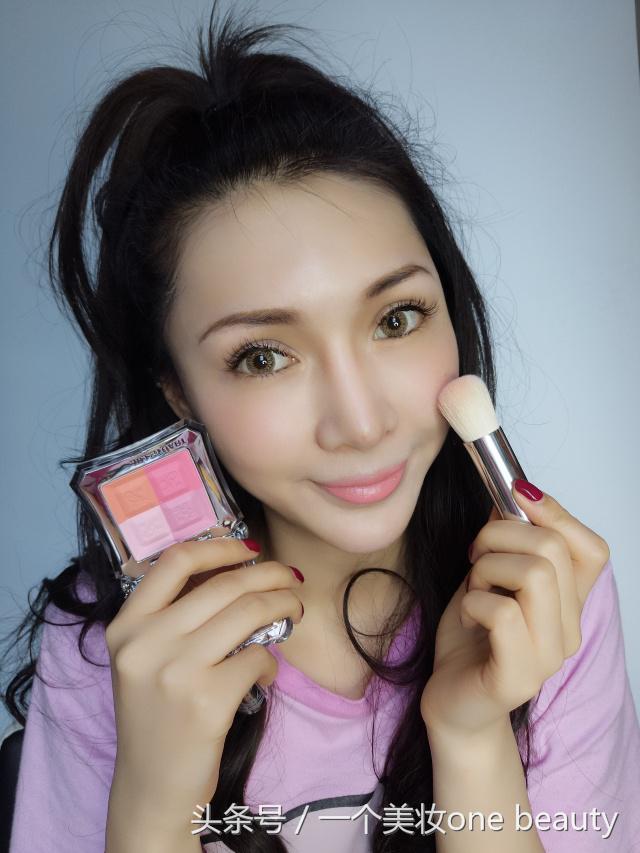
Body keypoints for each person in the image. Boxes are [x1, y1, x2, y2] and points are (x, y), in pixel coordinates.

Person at [2, 3, 639, 852]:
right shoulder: (114, 648)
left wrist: (471, 732)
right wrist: (155, 803)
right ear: (179, 392)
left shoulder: (546, 598)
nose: (362, 422)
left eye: (397, 318)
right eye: (263, 356)